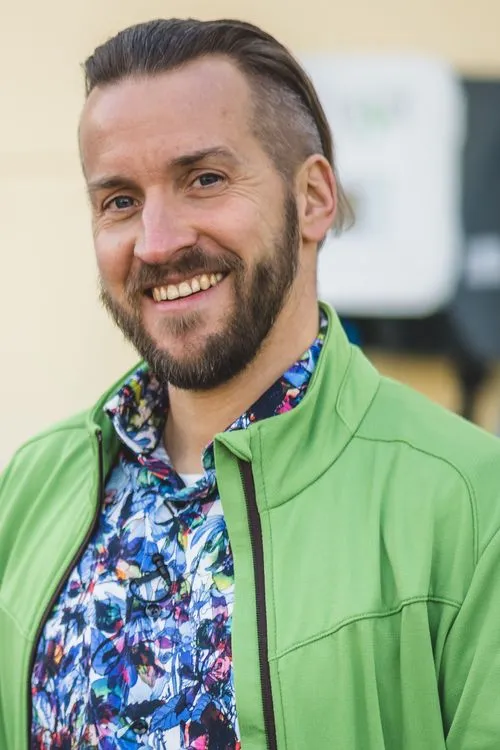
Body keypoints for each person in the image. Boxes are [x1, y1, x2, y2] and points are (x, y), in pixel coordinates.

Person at [1, 16, 500, 750]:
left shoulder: (471, 504)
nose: (158, 242)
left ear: (314, 198)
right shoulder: (33, 486)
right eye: (120, 200)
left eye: (205, 180)